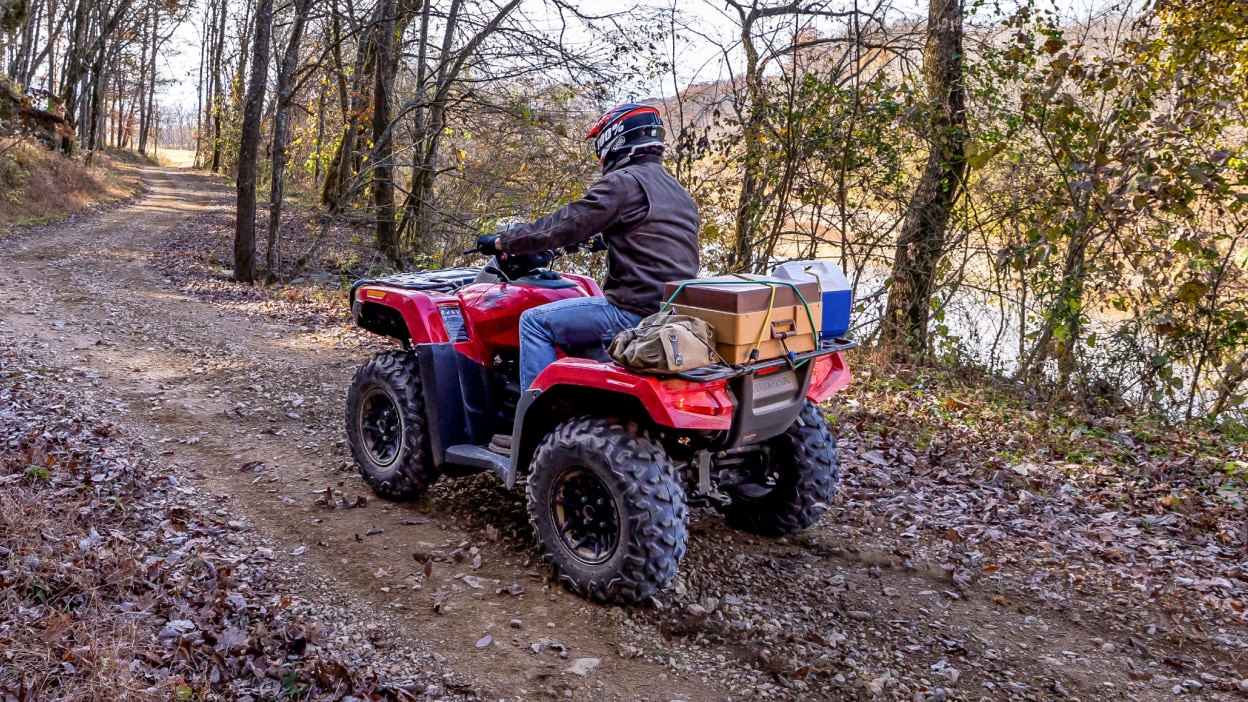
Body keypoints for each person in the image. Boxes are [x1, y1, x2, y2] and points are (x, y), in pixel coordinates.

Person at [476, 103, 701, 395]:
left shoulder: (623, 183)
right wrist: (602, 240)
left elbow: (560, 226)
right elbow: (653, 235)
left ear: (616, 138)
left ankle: (534, 419)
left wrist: (502, 241)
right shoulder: (674, 189)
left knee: (532, 321)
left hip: (632, 311)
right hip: (668, 309)